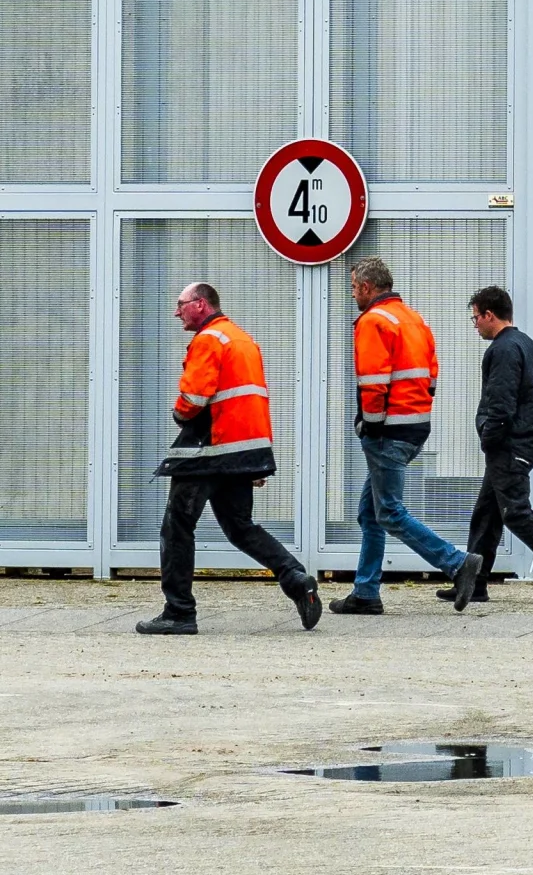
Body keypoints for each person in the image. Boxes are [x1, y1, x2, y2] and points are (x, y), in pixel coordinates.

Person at [137, 280, 321, 636]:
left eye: (181, 304)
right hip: (241, 450)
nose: (177, 312)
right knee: (240, 527)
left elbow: (192, 400)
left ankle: (179, 612)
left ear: (202, 305)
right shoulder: (241, 339)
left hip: (210, 449)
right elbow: (252, 400)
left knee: (177, 527)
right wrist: (254, 459)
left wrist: (179, 415)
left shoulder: (208, 340)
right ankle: (296, 579)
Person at [335, 255, 463, 615]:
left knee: (389, 512)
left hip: (388, 429)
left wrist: (370, 425)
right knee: (370, 512)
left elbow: (373, 381)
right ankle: (365, 592)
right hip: (416, 422)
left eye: (353, 288)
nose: (353, 295)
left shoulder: (372, 320)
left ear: (365, 287)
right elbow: (432, 372)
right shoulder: (413, 317)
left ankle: (456, 562)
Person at [449, 285, 533, 609]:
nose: (475, 326)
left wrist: (489, 437)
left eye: (476, 319)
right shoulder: (531, 346)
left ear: (489, 315)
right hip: (521, 440)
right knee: (487, 514)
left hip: (509, 445)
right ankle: (474, 582)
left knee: (516, 512)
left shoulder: (502, 350)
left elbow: (500, 402)